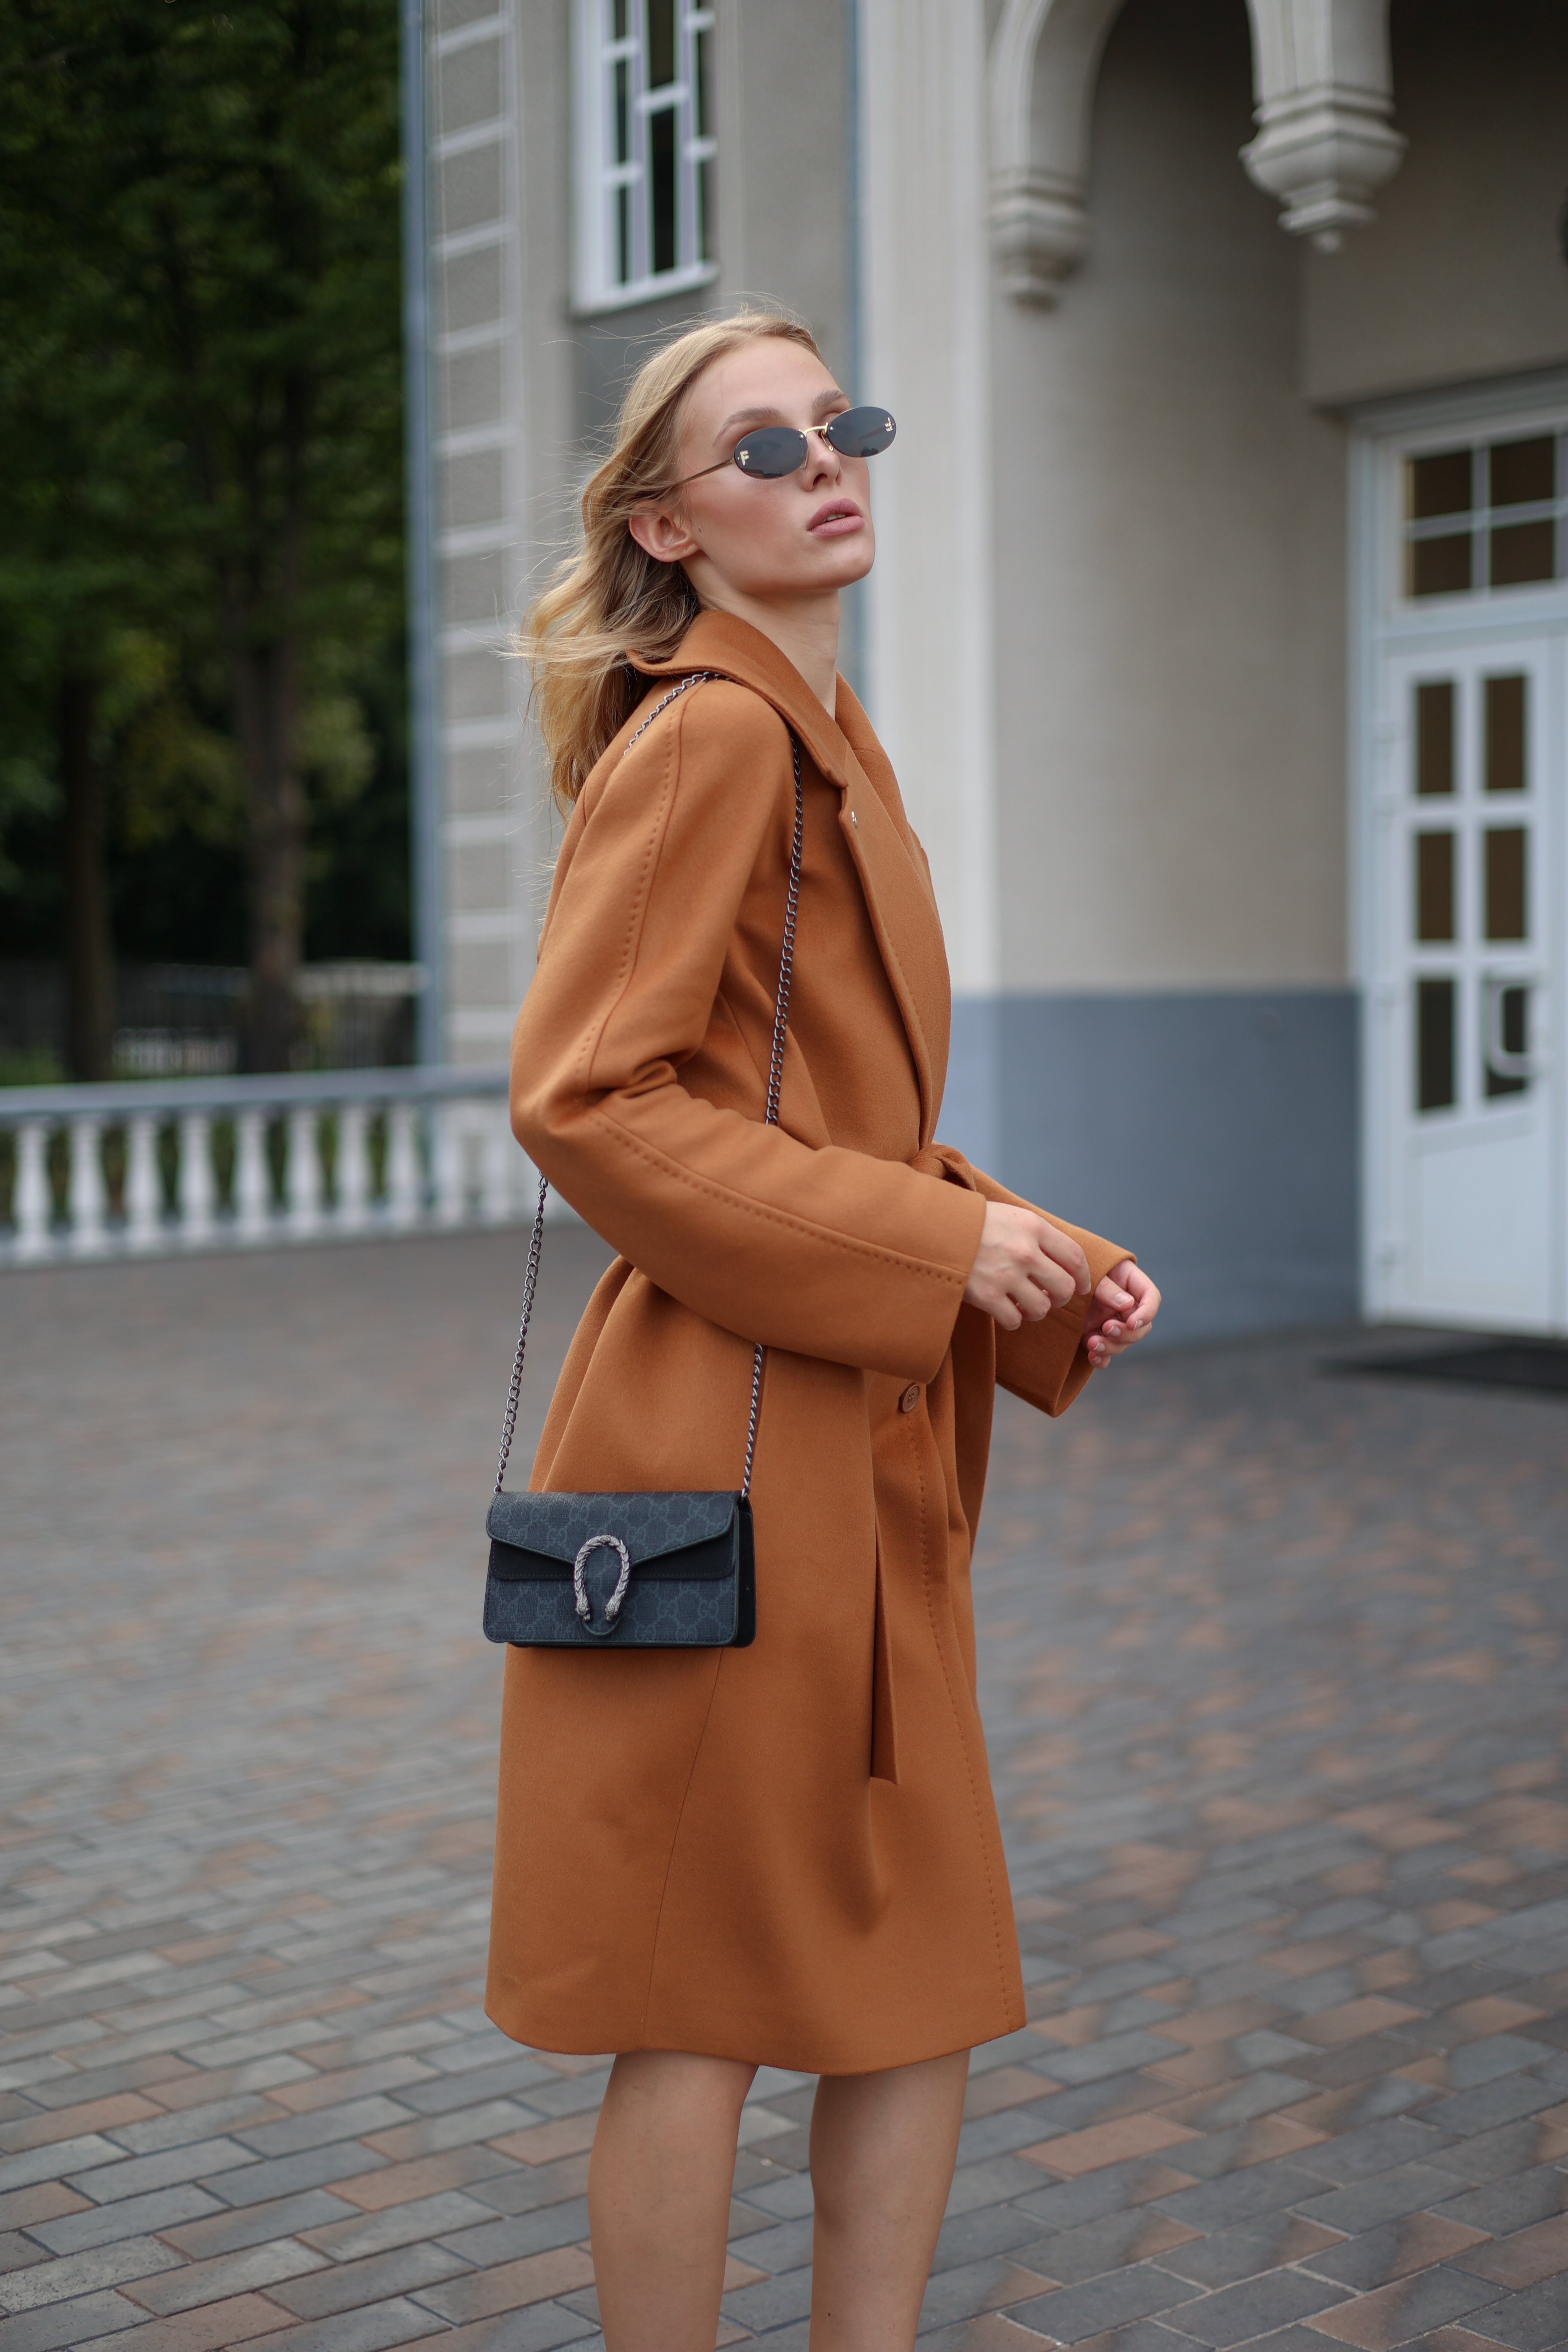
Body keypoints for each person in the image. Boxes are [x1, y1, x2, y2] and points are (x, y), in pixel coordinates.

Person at [488, 307, 1162, 2352]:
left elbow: (812, 1109)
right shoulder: (706, 731)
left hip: (855, 1434)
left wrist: (1009, 1237)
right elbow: (587, 1095)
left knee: (911, 1965)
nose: (824, 460)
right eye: (761, 447)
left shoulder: (832, 739)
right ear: (672, 524)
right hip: (725, 1439)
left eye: (838, 423)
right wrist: (921, 1242)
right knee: (705, 1994)